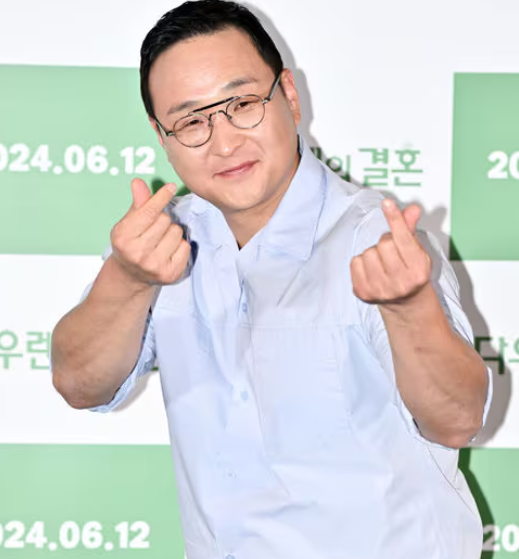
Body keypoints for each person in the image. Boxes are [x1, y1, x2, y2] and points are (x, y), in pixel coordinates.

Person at [51, 1, 491, 557]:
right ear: (161, 135)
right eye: (192, 121)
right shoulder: (158, 244)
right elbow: (80, 385)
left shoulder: (376, 241)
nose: (224, 142)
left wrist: (409, 309)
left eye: (241, 104)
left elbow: (456, 421)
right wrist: (128, 279)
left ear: (288, 95)